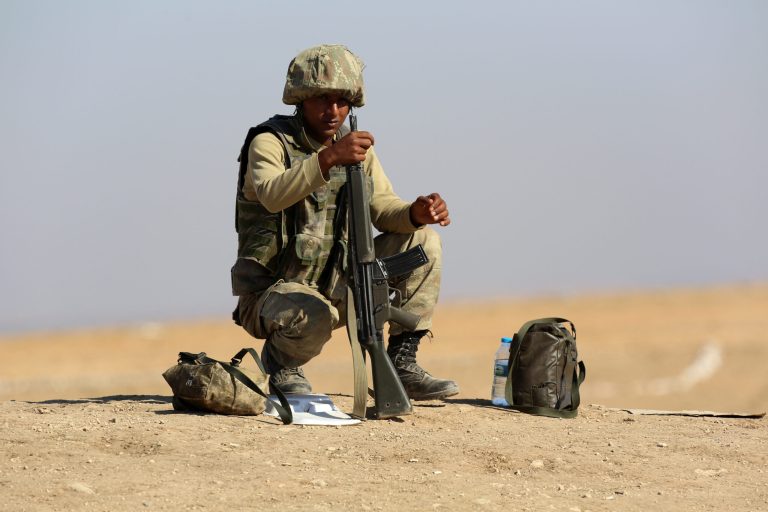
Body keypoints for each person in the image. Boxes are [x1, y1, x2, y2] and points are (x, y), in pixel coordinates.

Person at [231, 44, 458, 401]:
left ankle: (402, 363)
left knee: (423, 243)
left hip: (341, 283)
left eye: (341, 101)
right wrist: (329, 158)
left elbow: (383, 209)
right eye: (321, 99)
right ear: (300, 100)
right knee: (313, 313)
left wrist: (416, 213)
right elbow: (272, 194)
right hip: (273, 295)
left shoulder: (355, 150)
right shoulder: (270, 142)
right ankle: (282, 363)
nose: (332, 111)